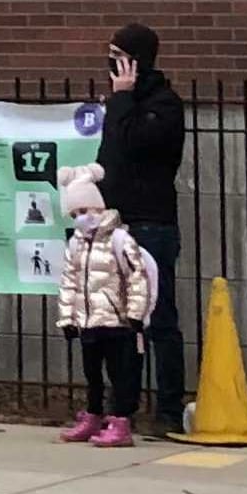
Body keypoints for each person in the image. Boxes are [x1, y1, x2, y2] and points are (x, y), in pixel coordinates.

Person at [100, 23, 192, 436]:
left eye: (119, 56)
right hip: (119, 220)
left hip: (152, 222)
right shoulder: (119, 105)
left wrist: (122, 99)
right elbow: (111, 154)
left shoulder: (165, 105)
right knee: (118, 320)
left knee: (159, 318)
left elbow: (137, 143)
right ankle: (122, 403)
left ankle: (169, 407)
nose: (112, 65)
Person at [51, 161, 159, 449]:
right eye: (75, 213)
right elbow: (69, 283)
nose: (81, 217)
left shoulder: (120, 240)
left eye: (85, 210)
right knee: (91, 373)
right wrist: (68, 318)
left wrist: (136, 314)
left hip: (118, 321)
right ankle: (93, 414)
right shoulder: (76, 245)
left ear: (99, 208)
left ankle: (121, 420)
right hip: (89, 321)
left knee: (121, 373)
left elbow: (139, 276)